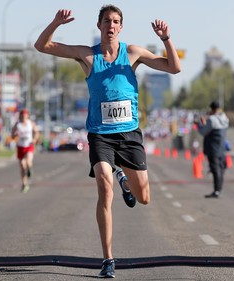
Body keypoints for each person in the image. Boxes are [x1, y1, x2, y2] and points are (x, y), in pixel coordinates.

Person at [34, 5, 181, 278]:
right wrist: (55, 22)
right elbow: (42, 46)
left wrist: (165, 39)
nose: (110, 26)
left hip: (129, 134)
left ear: (121, 27)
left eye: (115, 22)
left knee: (144, 198)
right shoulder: (87, 55)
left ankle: (124, 177)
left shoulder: (133, 53)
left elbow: (174, 67)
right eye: (106, 21)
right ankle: (108, 259)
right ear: (99, 25)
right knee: (104, 184)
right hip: (100, 134)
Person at [196, 101, 229, 198]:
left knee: (215, 170)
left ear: (212, 109)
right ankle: (219, 189)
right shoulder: (224, 118)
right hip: (221, 148)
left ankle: (216, 191)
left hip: (213, 149)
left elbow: (203, 131)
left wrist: (200, 124)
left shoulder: (212, 120)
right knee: (220, 169)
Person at [11, 108, 40, 193]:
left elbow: (37, 132)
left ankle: (30, 170)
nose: (23, 117)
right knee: (22, 166)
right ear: (20, 116)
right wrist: (15, 134)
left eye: (25, 115)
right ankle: (24, 184)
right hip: (20, 146)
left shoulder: (31, 123)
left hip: (29, 145)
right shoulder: (17, 124)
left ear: (27, 116)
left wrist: (34, 139)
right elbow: (12, 136)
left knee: (28, 162)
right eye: (22, 115)